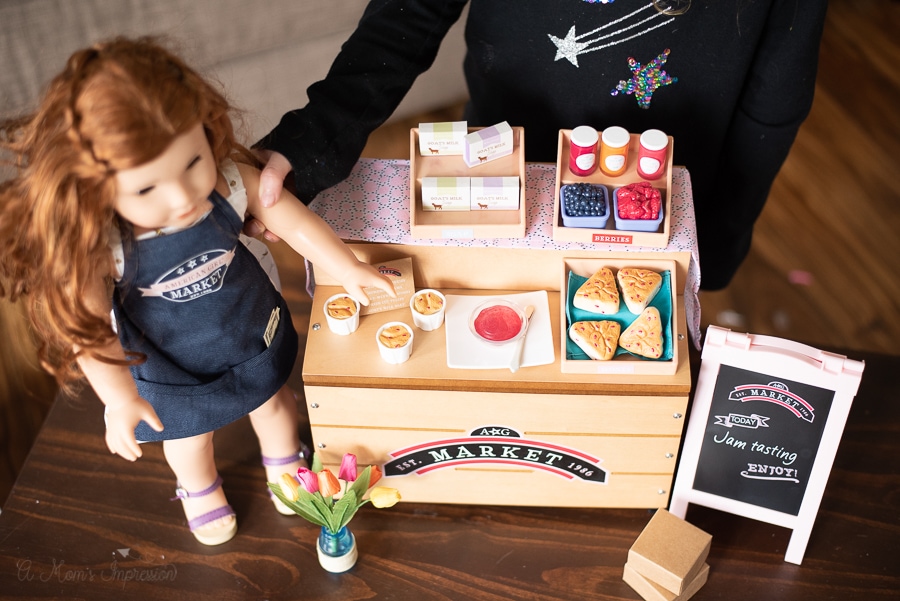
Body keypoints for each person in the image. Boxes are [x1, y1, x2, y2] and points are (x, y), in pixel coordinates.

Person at [0, 37, 395, 546]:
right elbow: (90, 327)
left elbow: (292, 222)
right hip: (170, 360)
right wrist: (119, 399)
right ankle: (198, 487)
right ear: (93, 188)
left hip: (248, 326)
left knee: (276, 404)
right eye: (146, 189)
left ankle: (281, 463)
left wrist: (345, 266)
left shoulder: (229, 184)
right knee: (188, 439)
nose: (184, 195)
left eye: (193, 161)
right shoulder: (101, 245)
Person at [252, 0, 828, 291]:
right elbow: (405, 20)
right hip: (508, 167)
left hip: (663, 201)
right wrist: (311, 139)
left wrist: (718, 242)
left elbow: (774, 104)